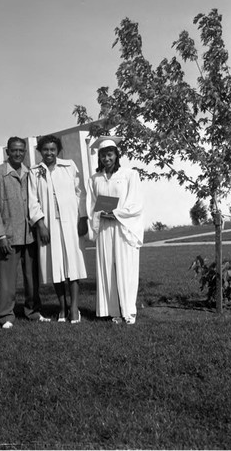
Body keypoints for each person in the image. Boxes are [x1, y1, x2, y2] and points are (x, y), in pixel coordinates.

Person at [0, 136, 50, 329]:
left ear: (25, 152)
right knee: (7, 280)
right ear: (7, 151)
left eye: (21, 150)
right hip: (8, 235)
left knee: (32, 279)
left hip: (29, 234)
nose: (18, 153)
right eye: (14, 150)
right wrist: (0, 235)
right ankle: (6, 315)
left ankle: (33, 311)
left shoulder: (30, 172)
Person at [28, 135, 88, 323]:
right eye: (45, 149)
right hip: (49, 226)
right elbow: (33, 201)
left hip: (70, 222)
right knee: (56, 266)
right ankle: (62, 308)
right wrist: (41, 224)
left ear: (58, 150)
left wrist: (82, 217)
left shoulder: (69, 166)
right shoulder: (35, 171)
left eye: (52, 149)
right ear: (40, 151)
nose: (49, 153)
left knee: (73, 264)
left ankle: (74, 307)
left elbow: (80, 194)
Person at [86, 136, 143, 325]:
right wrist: (99, 215)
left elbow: (136, 203)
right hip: (104, 229)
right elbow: (91, 204)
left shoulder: (129, 174)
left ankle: (129, 311)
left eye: (109, 154)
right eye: (102, 155)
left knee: (126, 268)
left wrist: (116, 214)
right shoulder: (94, 179)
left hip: (122, 227)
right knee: (107, 268)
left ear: (116, 155)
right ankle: (113, 311)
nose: (106, 159)